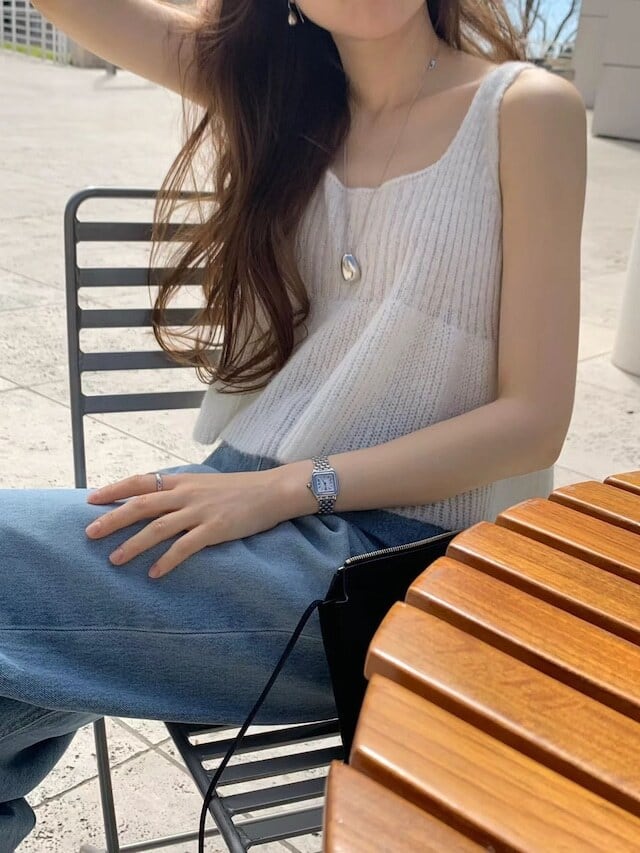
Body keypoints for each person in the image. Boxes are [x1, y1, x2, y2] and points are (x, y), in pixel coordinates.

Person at [2, 0, 587, 848]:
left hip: (397, 571)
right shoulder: (282, 99)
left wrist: (293, 487)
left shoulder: (525, 111)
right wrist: (268, 490)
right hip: (245, 502)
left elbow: (532, 422)